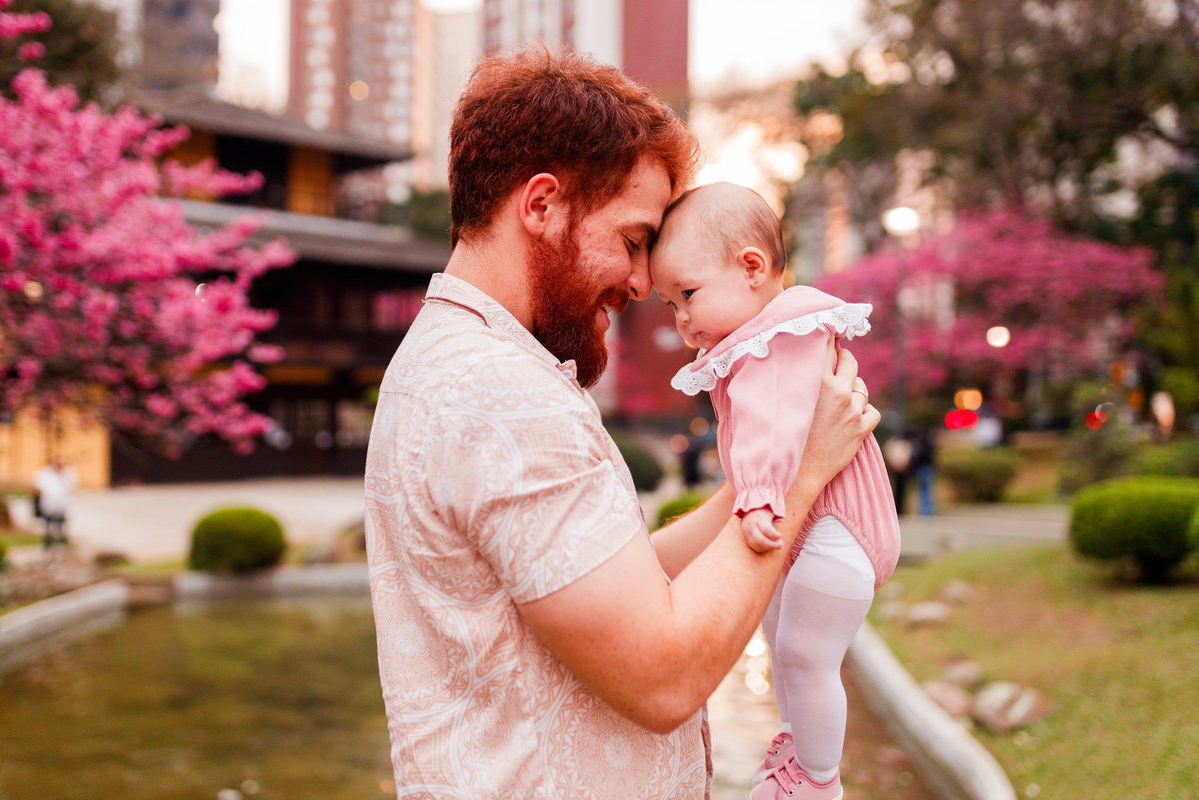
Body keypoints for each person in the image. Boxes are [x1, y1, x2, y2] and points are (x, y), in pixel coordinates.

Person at [363, 48, 880, 800]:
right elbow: (664, 678)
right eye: (634, 240)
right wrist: (797, 486)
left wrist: (766, 475)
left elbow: (617, 576)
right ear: (540, 206)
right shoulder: (499, 395)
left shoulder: (463, 359)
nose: (641, 283)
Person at [651, 183, 901, 800]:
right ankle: (798, 748)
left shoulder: (783, 335)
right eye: (669, 305)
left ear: (752, 267)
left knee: (803, 655)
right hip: (812, 526)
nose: (681, 319)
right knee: (782, 638)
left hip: (836, 527)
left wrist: (758, 497)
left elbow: (776, 422)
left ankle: (818, 780)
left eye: (687, 294)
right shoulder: (760, 340)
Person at [33, 456, 78, 548]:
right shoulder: (44, 473)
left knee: (61, 525)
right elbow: (37, 488)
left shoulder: (68, 473)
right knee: (47, 525)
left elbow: (73, 486)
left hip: (63, 504)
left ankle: (61, 542)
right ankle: (48, 542)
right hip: (48, 504)